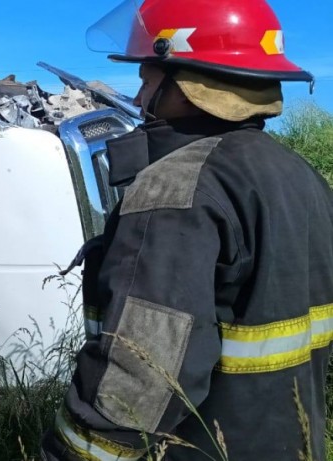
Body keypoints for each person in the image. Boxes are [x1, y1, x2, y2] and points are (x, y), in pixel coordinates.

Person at [41, 1, 333, 460]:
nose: (138, 99)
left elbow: (139, 373)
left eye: (147, 79)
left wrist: (72, 453)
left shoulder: (177, 186)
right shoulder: (300, 176)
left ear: (188, 83)